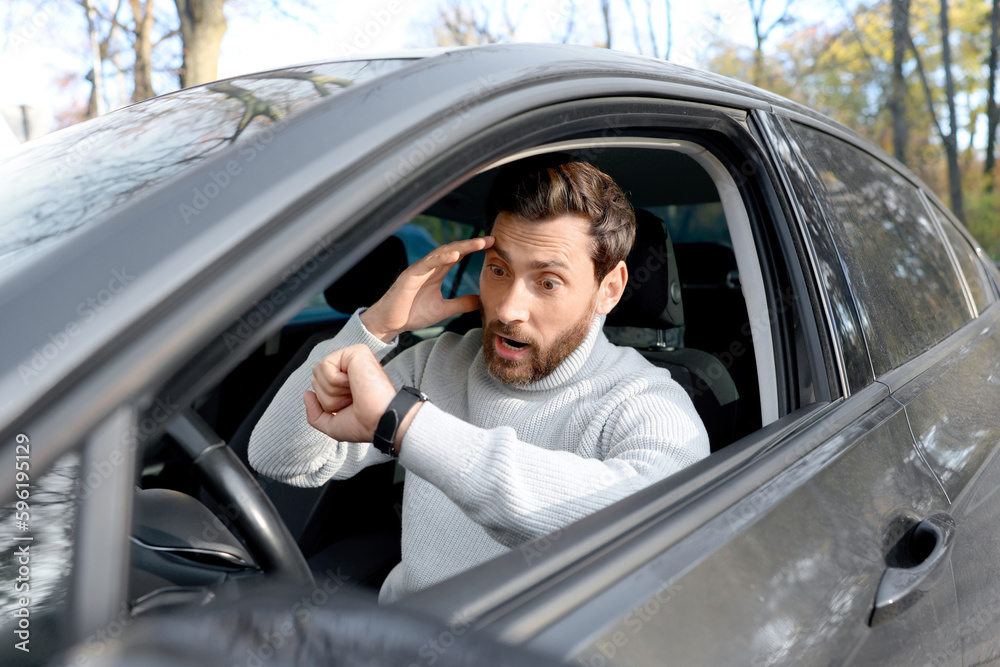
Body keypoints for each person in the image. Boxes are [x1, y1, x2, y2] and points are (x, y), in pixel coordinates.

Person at [248, 159, 710, 604]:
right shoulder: (439, 360)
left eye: (548, 282)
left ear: (609, 289)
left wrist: (407, 426)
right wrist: (375, 327)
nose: (507, 309)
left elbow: (648, 527)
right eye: (498, 270)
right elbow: (275, 457)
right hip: (401, 631)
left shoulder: (649, 401)